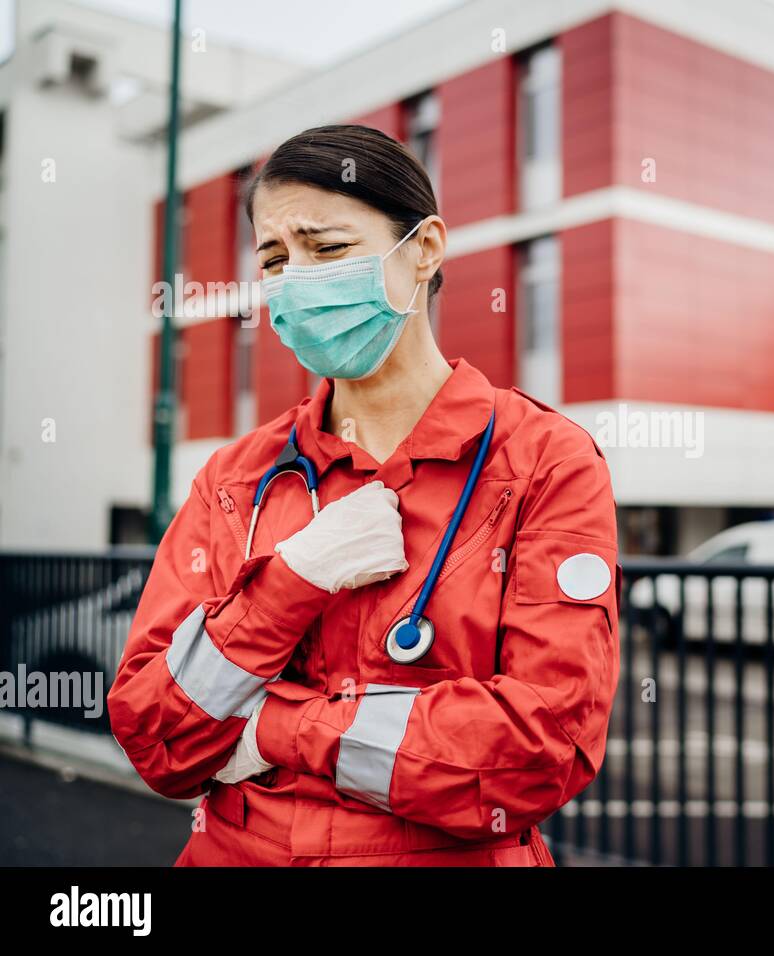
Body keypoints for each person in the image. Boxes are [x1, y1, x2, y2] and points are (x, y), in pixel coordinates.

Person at [107, 125, 621, 866]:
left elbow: (539, 751)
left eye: (328, 248)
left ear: (425, 248)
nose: (297, 280)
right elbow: (155, 734)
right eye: (275, 259)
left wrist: (268, 729)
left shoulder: (544, 462)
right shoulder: (235, 479)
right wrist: (292, 580)